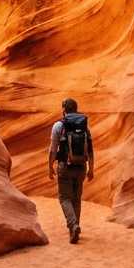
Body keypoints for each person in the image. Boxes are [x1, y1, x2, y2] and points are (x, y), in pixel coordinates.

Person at [48, 98, 94, 243]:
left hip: (65, 166)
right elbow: (90, 150)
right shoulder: (85, 127)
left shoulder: (59, 126)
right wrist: (91, 169)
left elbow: (53, 148)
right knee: (76, 197)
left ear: (64, 109)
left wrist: (50, 166)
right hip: (81, 166)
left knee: (64, 197)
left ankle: (73, 225)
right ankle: (75, 227)